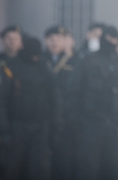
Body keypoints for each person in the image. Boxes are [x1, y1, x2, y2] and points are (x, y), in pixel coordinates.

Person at [69, 26, 118, 180]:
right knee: (89, 169)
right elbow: (74, 92)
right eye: (109, 38)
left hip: (114, 126)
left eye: (115, 39)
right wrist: (77, 123)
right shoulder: (87, 60)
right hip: (90, 124)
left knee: (112, 169)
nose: (112, 41)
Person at [0, 36, 57, 180]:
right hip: (17, 126)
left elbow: (54, 98)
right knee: (14, 169)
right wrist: (5, 130)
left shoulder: (45, 69)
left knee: (39, 169)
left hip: (41, 126)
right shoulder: (11, 68)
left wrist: (55, 124)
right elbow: (0, 100)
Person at [42, 26, 76, 180]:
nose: (54, 43)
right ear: (46, 41)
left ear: (65, 41)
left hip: (66, 119)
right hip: (43, 118)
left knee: (63, 162)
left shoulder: (75, 62)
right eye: (51, 39)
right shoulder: (39, 60)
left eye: (58, 39)